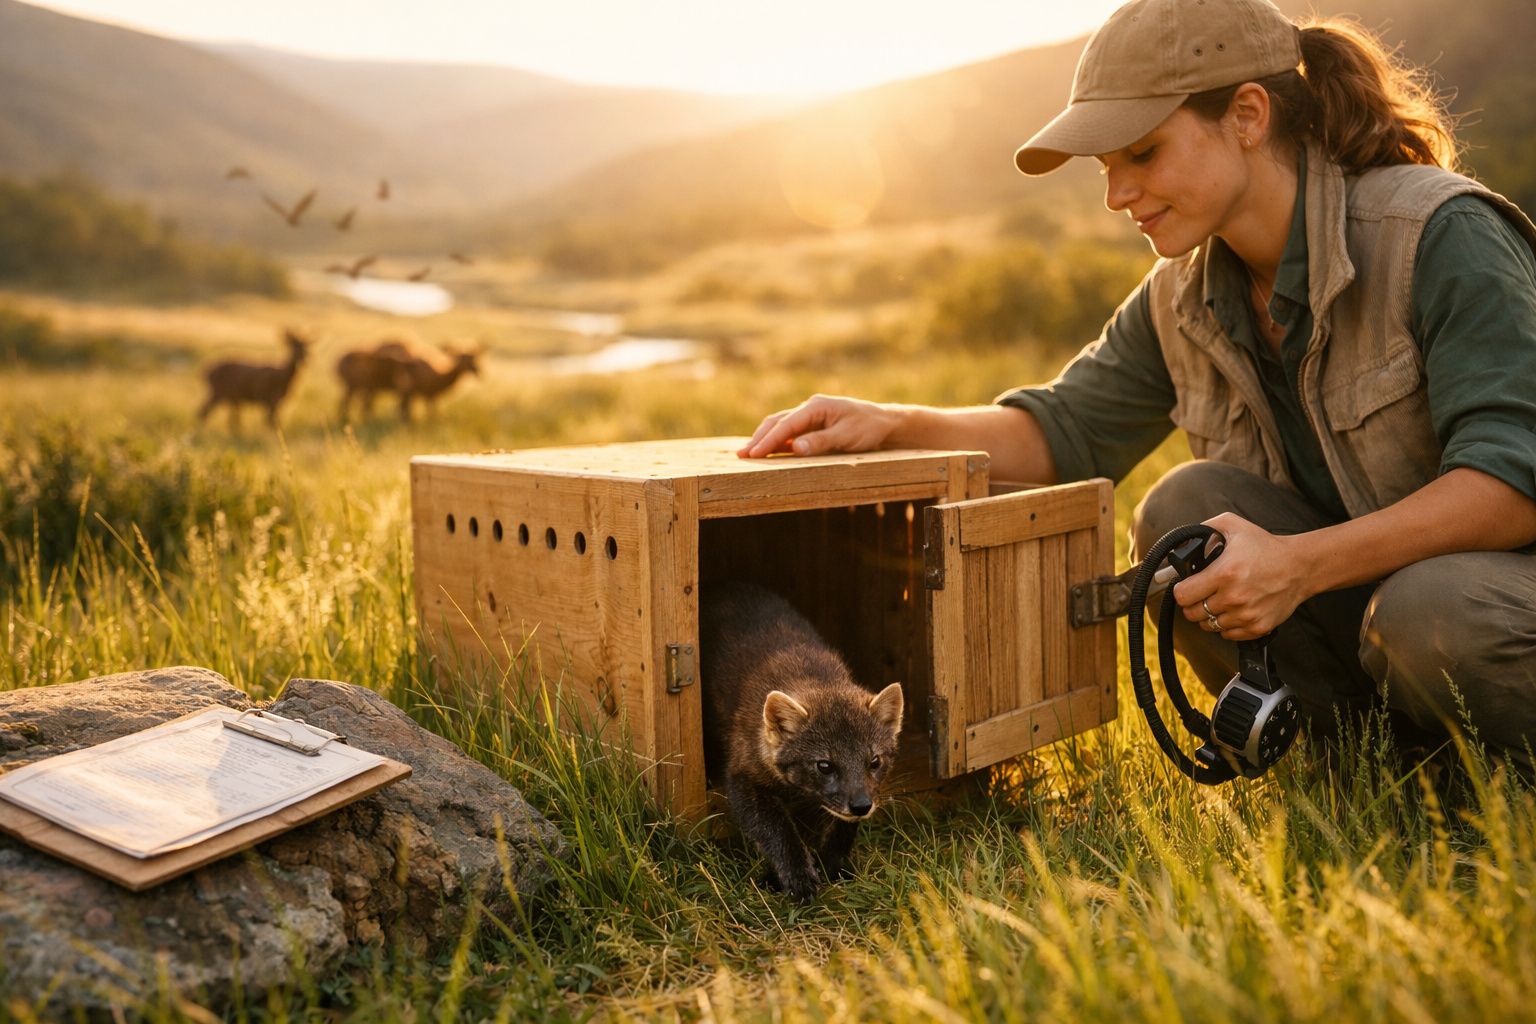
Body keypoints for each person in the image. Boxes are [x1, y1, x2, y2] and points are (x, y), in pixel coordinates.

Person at [738, 0, 1536, 758]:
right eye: (1105, 167)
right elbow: (1065, 432)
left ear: (1248, 116)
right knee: (1182, 519)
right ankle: (1378, 770)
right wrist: (894, 421)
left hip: (1490, 600)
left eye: (1144, 154)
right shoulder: (1183, 294)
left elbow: (1510, 483)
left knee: (1433, 614)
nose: (1118, 196)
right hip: (1380, 619)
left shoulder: (1438, 234)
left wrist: (1298, 565)